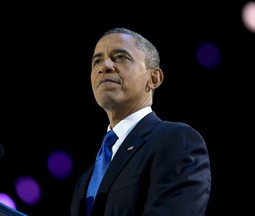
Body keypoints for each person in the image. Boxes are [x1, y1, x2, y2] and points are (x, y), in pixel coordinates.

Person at [70, 27, 211, 216]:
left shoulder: (176, 140)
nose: (105, 66)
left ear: (153, 78)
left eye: (120, 57)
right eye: (97, 61)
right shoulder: (85, 180)